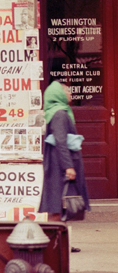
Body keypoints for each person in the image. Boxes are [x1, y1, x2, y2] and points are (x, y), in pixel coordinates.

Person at [39, 82, 90, 245]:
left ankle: (59, 244)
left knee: (58, 206)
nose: (70, 94)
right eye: (66, 91)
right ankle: (55, 247)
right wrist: (68, 166)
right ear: (58, 95)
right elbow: (61, 140)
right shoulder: (60, 113)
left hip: (56, 165)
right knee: (56, 207)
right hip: (59, 167)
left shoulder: (55, 112)